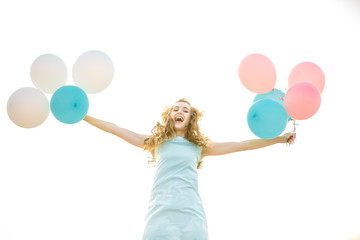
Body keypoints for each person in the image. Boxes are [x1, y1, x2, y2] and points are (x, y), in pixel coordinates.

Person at [83, 98, 295, 240]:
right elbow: (115, 128)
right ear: (169, 115)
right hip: (159, 216)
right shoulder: (154, 142)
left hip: (191, 216)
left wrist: (279, 139)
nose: (179, 111)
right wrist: (82, 114)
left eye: (185, 110)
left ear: (190, 118)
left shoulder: (199, 148)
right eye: (176, 109)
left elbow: (241, 145)